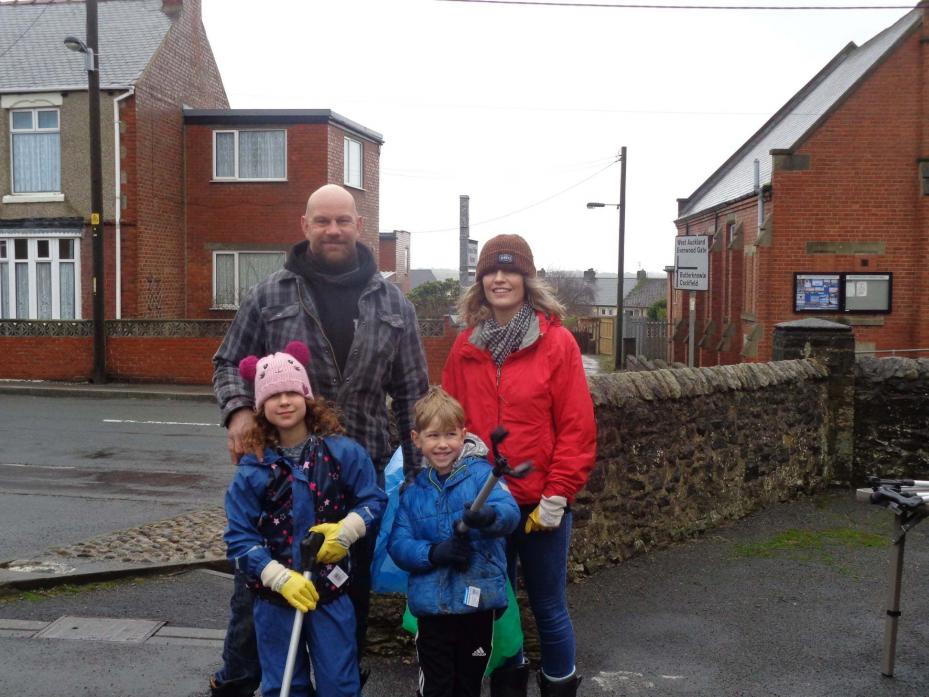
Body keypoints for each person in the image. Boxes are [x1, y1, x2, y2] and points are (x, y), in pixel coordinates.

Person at [211, 184, 429, 696]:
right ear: (304, 226)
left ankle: (341, 681)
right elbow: (228, 363)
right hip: (278, 474)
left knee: (346, 590)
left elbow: (414, 395)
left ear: (359, 225)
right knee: (257, 593)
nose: (333, 230)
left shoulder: (393, 301)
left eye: (343, 221)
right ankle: (240, 682)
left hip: (357, 480)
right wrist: (240, 411)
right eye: (323, 221)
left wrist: (419, 479)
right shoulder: (271, 294)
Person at [442, 234, 597, 697]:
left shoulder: (558, 344)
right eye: (491, 271)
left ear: (527, 279)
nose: (500, 279)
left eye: (510, 271)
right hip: (486, 505)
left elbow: (576, 425)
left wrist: (559, 492)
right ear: (480, 281)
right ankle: (508, 688)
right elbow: (450, 424)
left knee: (549, 605)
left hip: (540, 505)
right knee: (498, 606)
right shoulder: (465, 347)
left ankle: (558, 686)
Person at [224, 340, 386, 697]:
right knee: (284, 685)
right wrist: (278, 577)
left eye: (291, 392)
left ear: (306, 396)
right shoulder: (254, 470)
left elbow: (373, 499)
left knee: (339, 685)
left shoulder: (342, 453)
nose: (283, 401)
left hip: (330, 591)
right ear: (260, 407)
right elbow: (238, 538)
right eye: (273, 395)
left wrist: (346, 530)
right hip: (275, 599)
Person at [388, 387, 520, 697]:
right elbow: (399, 543)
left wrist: (488, 517)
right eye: (433, 436)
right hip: (432, 610)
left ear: (463, 435)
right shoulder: (414, 492)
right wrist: (433, 553)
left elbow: (509, 512)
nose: (443, 444)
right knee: (438, 686)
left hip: (476, 605)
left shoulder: (481, 476)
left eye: (450, 434)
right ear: (417, 438)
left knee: (468, 685)